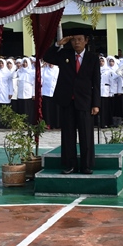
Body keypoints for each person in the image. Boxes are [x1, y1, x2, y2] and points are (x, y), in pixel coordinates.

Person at [44, 29, 100, 174]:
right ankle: (70, 165)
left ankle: (86, 165)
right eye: (74, 40)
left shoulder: (92, 58)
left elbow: (96, 82)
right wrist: (58, 44)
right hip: (67, 101)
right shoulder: (64, 55)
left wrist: (96, 104)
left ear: (86, 41)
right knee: (68, 135)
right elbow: (47, 57)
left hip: (85, 102)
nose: (77, 42)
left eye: (80, 39)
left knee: (86, 135)